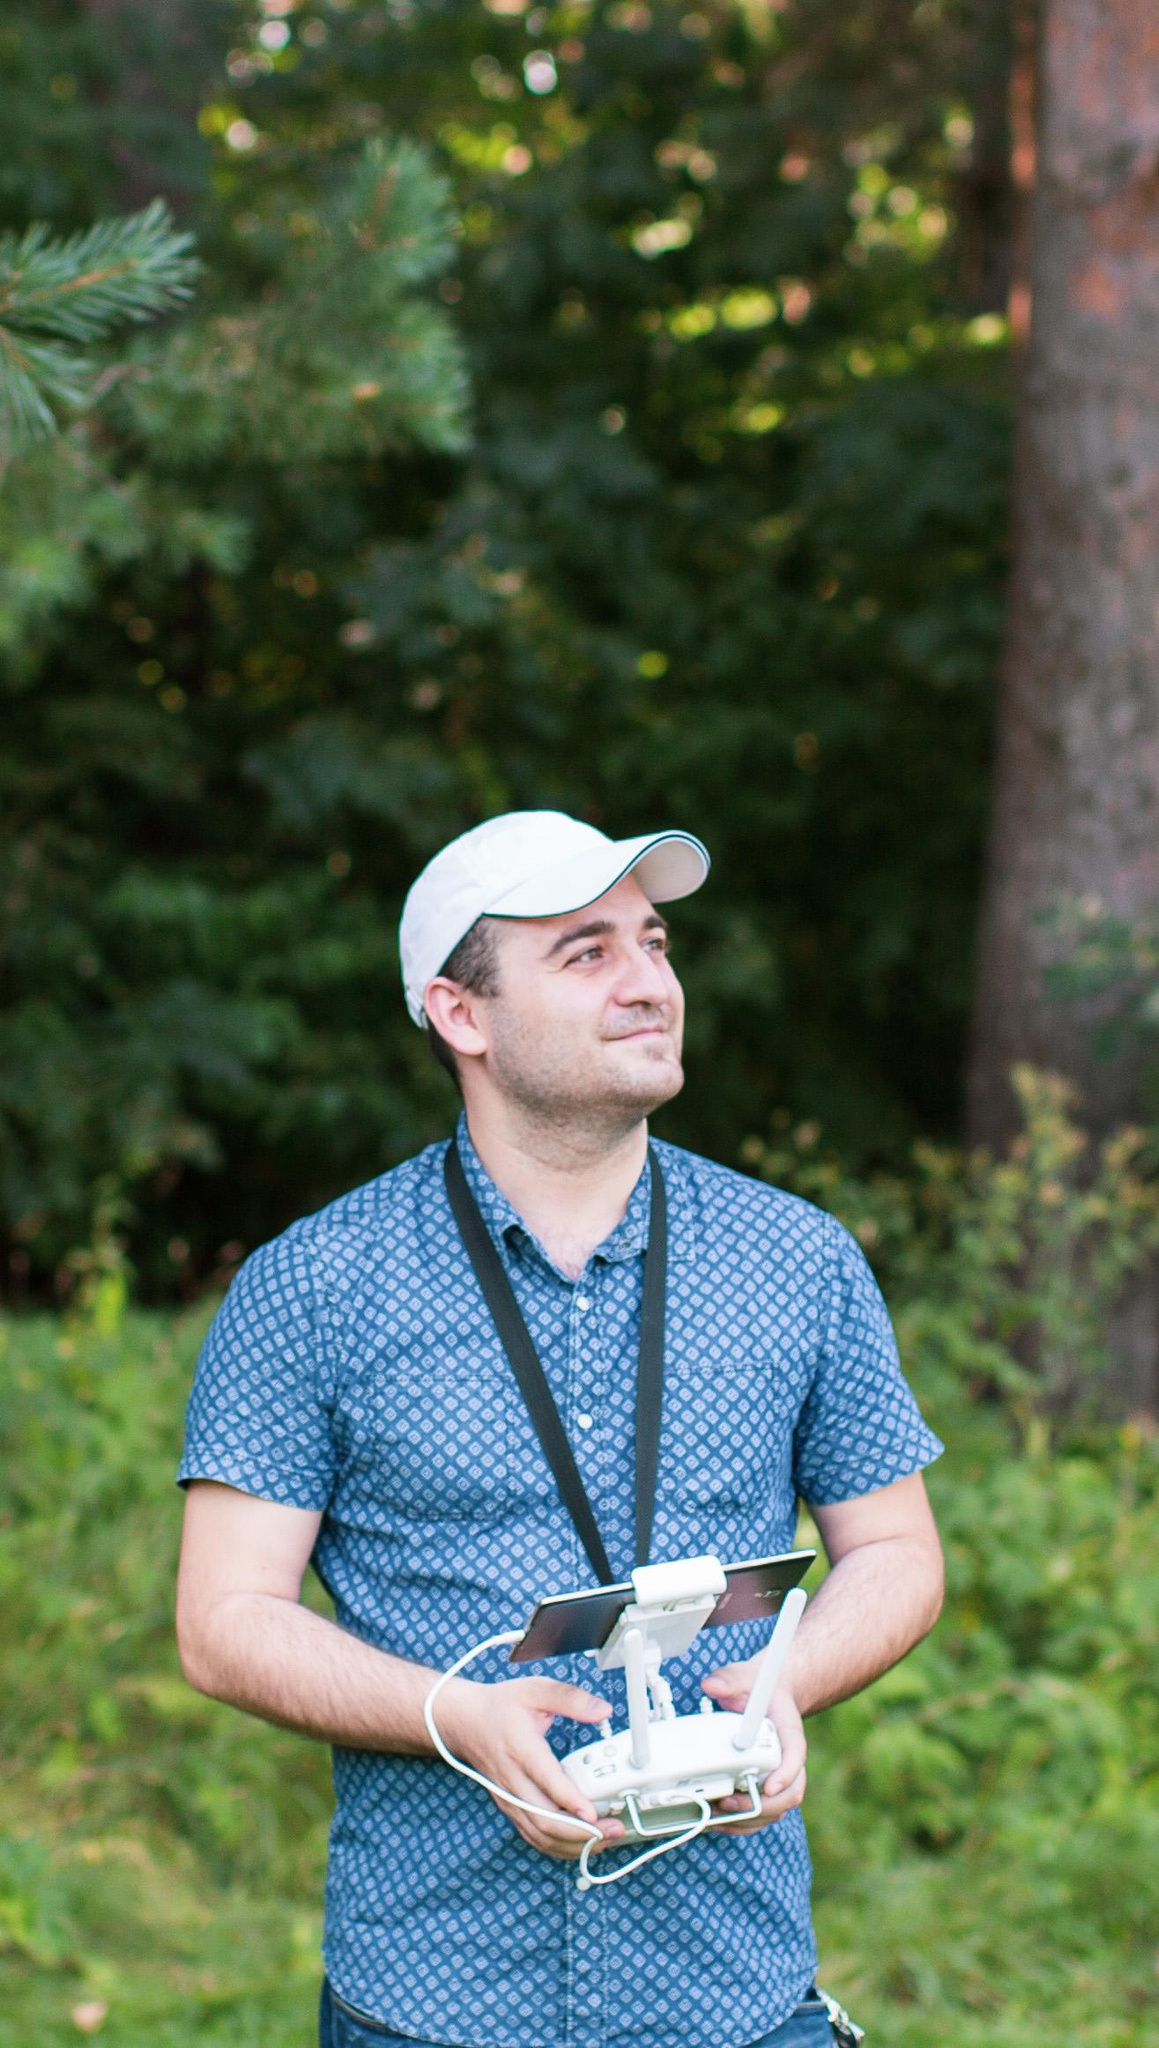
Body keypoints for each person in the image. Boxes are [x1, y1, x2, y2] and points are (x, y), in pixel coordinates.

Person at [173, 811, 944, 2048]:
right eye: (586, 953)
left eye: (655, 942)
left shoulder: (800, 1259)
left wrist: (786, 1683)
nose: (650, 983)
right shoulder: (311, 1285)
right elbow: (223, 1622)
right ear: (461, 1014)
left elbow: (899, 1550)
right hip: (432, 1996)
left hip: (735, 1994)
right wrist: (455, 1714)